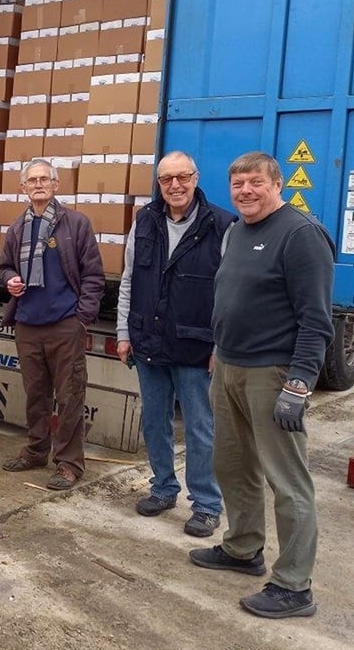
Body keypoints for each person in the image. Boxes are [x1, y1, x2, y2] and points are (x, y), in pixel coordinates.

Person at [189, 151, 334, 619]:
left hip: (273, 373)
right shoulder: (236, 231)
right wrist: (219, 348)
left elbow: (316, 320)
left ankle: (294, 586)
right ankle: (242, 547)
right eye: (238, 184)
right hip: (229, 365)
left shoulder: (300, 234)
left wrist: (299, 383)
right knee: (233, 465)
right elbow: (230, 296)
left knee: (287, 480)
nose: (246, 191)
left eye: (255, 182)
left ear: (277, 184)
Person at [116, 151, 235, 537]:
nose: (175, 185)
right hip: (148, 341)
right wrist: (123, 333)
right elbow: (129, 279)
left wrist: (219, 346)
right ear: (159, 183)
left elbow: (229, 294)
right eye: (167, 179)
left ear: (196, 178)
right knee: (154, 421)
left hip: (195, 346)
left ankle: (206, 505)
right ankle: (163, 488)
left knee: (200, 428)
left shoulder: (221, 224)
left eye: (182, 177)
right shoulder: (145, 220)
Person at [0, 158, 104, 490]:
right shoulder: (17, 228)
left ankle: (68, 463)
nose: (39, 184)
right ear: (23, 187)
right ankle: (35, 451)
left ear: (56, 185)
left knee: (70, 395)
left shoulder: (76, 224)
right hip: (27, 323)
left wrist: (82, 318)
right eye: (32, 180)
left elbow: (93, 275)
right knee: (35, 394)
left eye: (45, 179)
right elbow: (4, 266)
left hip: (64, 324)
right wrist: (10, 279)